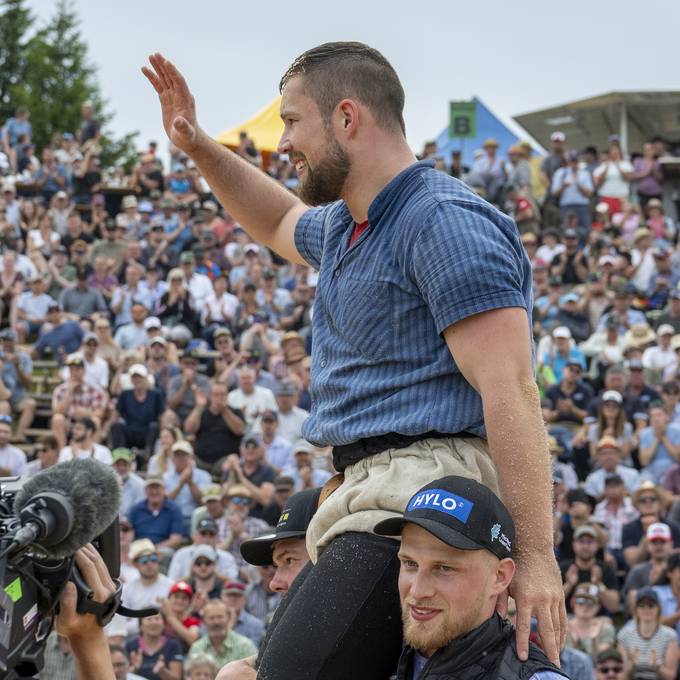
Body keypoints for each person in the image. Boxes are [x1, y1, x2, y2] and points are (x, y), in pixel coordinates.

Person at [143, 43, 565, 676]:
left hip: (421, 499)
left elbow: (511, 391)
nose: (282, 142)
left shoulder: (442, 221)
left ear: (347, 118)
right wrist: (200, 148)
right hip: (362, 494)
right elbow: (280, 220)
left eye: (291, 121)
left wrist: (536, 559)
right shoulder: (348, 223)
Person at [370, 476, 566, 679]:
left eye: (444, 568)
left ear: (500, 577)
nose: (418, 591)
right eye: (410, 564)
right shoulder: (370, 655)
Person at [184, 380, 246, 474]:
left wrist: (225, 410)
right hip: (200, 460)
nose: (219, 398)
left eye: (222, 394)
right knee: (186, 461)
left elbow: (240, 430)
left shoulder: (235, 412)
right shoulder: (202, 412)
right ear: (210, 396)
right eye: (215, 394)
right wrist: (199, 407)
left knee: (232, 462)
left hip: (224, 461)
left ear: (227, 396)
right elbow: (188, 429)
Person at [617, 587, 678, 678]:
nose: (646, 609)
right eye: (641, 605)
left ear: (658, 609)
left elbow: (671, 676)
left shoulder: (669, 635)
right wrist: (631, 666)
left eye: (651, 605)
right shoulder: (624, 635)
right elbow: (621, 676)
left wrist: (657, 667)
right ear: (636, 609)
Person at [51, 354, 108, 449]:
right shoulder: (61, 390)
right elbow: (56, 411)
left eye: (77, 369)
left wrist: (86, 413)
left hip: (86, 425)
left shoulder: (94, 390)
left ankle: (93, 456)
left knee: (96, 421)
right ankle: (61, 456)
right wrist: (69, 393)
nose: (74, 372)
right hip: (68, 425)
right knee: (57, 419)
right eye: (71, 369)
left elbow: (100, 413)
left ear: (84, 371)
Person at [187, 599, 257, 667]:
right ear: (203, 622)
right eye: (211, 618)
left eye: (220, 617)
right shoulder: (197, 648)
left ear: (229, 618)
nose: (216, 622)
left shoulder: (245, 646)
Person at [111, 363, 165, 453]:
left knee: (154, 427)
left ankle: (147, 455)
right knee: (116, 426)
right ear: (131, 380)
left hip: (147, 432)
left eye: (140, 377)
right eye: (134, 377)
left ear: (146, 378)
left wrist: (164, 433)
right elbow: (116, 414)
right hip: (129, 430)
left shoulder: (156, 395)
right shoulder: (125, 395)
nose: (137, 380)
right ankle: (120, 454)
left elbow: (161, 416)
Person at [566, 582, 616, 662]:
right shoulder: (563, 627)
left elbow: (601, 660)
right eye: (580, 601)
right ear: (573, 603)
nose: (585, 606)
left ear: (598, 607)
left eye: (591, 602)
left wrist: (594, 640)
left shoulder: (605, 628)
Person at [125, 613, 184, 680]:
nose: (153, 622)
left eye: (157, 618)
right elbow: (122, 676)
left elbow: (177, 678)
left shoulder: (173, 645)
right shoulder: (131, 645)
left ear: (164, 624)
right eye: (149, 619)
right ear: (140, 625)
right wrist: (134, 668)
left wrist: (162, 671)